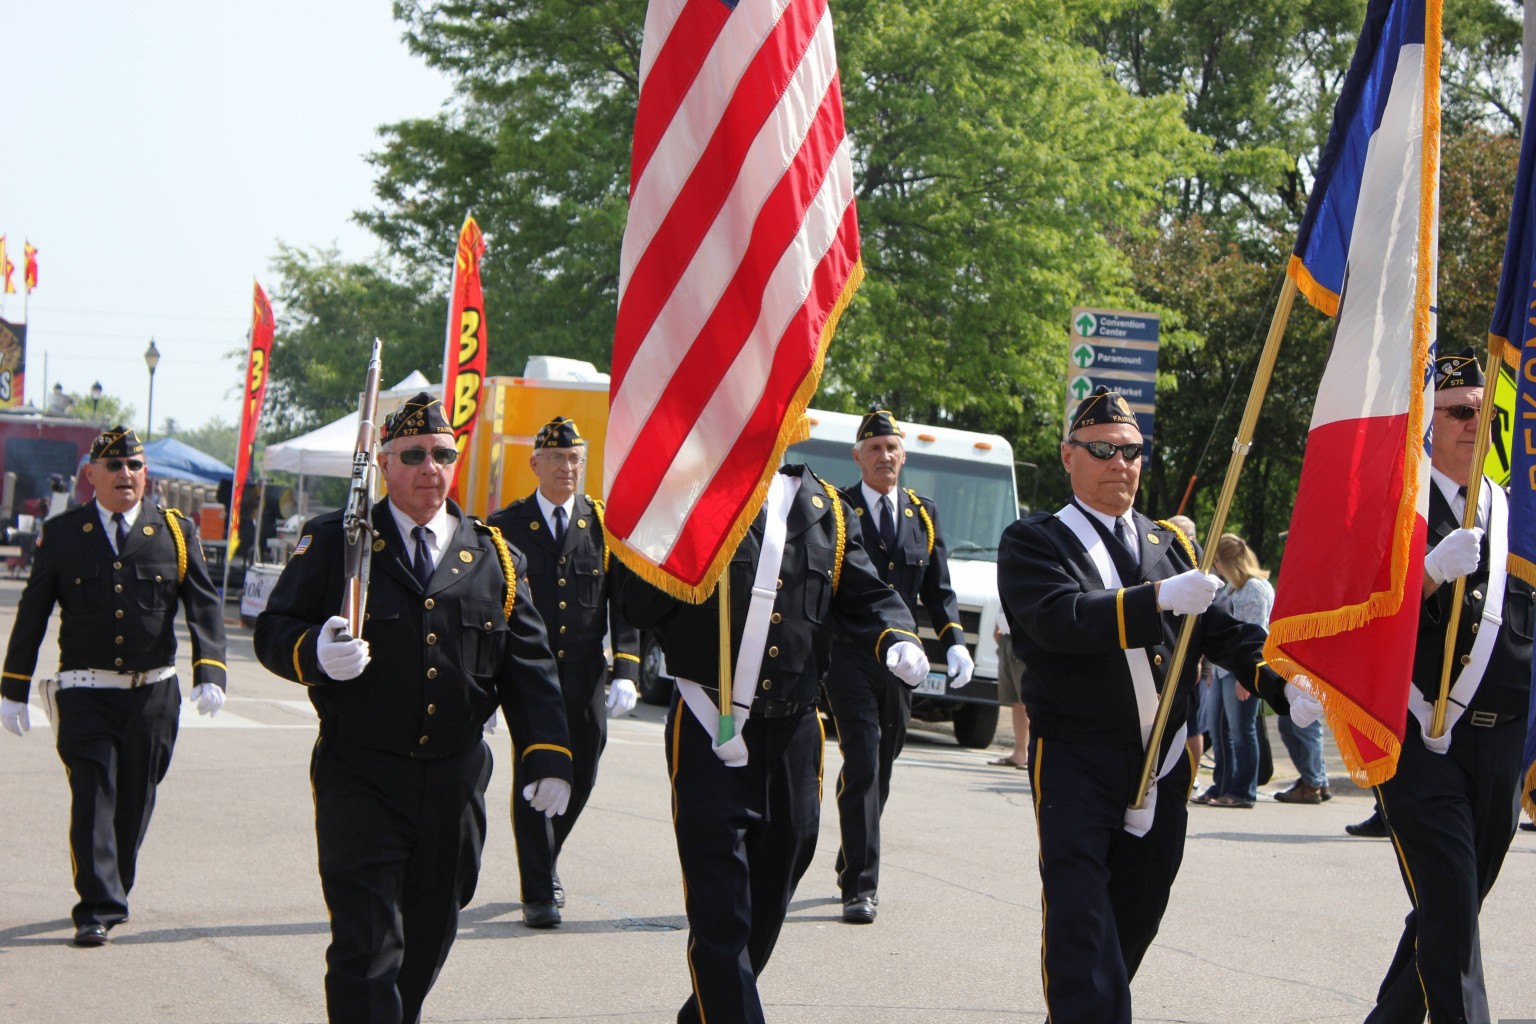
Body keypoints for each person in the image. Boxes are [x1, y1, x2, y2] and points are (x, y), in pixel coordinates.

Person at [253, 393, 573, 1024]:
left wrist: (548, 754)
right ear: (383, 462)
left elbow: (529, 665)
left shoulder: (494, 555)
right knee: (367, 943)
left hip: (454, 780)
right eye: (415, 454)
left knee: (429, 931)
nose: (432, 466)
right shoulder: (338, 543)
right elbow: (273, 630)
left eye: (444, 454)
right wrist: (313, 650)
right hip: (361, 775)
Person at [997, 387, 1309, 1024]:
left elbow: (1223, 632)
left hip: (1164, 763)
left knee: (1134, 916)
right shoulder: (1036, 541)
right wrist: (1157, 599)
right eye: (1103, 450)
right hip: (1079, 760)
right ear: (1068, 455)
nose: (1121, 463)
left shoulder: (1169, 544)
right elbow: (1059, 620)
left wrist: (1284, 684)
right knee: (1081, 918)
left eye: (1132, 452)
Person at [617, 463, 927, 1024]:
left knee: (780, 872)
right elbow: (638, 605)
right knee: (721, 907)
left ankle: (708, 1011)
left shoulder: (827, 508)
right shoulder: (694, 493)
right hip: (712, 722)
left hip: (794, 729)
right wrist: (673, 528)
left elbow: (864, 595)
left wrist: (897, 634)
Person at [0, 426, 227, 947]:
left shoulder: (175, 531)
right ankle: (96, 906)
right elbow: (33, 613)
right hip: (86, 692)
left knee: (134, 801)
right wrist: (13, 688)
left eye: (135, 466)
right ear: (91, 476)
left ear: (145, 474)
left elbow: (204, 606)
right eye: (115, 466)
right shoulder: (62, 535)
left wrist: (211, 670)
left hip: (153, 694)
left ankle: (115, 885)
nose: (126, 474)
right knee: (93, 794)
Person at [1363, 348, 1533, 1024]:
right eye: (1460, 410)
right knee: (1454, 909)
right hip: (1417, 739)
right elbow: (1361, 618)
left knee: (1449, 907)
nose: (1474, 423)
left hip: (1502, 748)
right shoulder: (1391, 510)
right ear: (1424, 425)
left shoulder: (1516, 515)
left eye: (1485, 412)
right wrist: (1425, 574)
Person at [486, 415, 640, 929]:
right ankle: (538, 890)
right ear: (535, 464)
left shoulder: (602, 524)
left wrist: (628, 667)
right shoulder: (506, 526)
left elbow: (625, 601)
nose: (567, 467)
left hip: (584, 672)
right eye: (556, 459)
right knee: (535, 770)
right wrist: (486, 683)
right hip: (528, 673)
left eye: (575, 459)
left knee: (584, 766)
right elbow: (490, 606)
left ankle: (546, 857)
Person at [824, 407, 973, 923]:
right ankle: (860, 887)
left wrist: (954, 641)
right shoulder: (838, 511)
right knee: (862, 761)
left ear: (903, 455)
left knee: (882, 766)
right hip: (850, 657)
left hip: (904, 664)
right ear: (857, 457)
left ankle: (852, 851)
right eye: (874, 449)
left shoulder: (921, 515)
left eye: (891, 448)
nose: (884, 456)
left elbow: (939, 589)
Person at [1202, 532, 1275, 809]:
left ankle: (1243, 790)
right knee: (1219, 730)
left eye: (1216, 561)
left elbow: (1257, 636)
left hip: (1240, 673)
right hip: (1223, 670)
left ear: (1227, 561)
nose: (1214, 567)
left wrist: (1247, 675)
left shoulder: (1255, 588)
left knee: (1242, 732)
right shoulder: (1232, 587)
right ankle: (1222, 785)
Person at [987, 619, 1029, 769]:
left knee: (1026, 700)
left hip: (1023, 638)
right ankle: (1020, 753)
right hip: (1006, 638)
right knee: (1015, 701)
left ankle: (1030, 753)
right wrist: (997, 627)